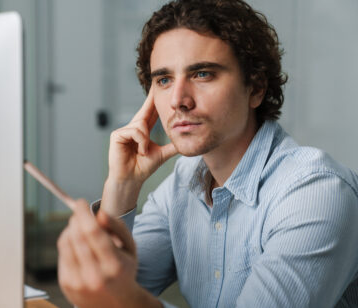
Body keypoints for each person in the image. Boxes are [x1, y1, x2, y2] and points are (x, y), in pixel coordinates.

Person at [57, 0, 358, 307]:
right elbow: (105, 294)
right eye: (163, 80)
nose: (178, 100)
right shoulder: (183, 182)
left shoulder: (317, 191)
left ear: (255, 88)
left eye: (202, 74)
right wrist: (122, 185)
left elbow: (120, 299)